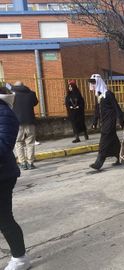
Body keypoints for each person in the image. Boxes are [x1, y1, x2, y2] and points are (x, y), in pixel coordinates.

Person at [0, 87, 31, 270]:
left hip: (2, 175)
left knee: (4, 218)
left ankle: (20, 258)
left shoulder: (4, 113)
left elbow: (3, 145)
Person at [89, 74, 124, 170]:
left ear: (99, 82)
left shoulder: (108, 94)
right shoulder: (99, 95)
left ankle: (99, 162)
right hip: (104, 122)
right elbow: (97, 110)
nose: (92, 84)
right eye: (91, 83)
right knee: (114, 141)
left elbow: (117, 108)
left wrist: (121, 121)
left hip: (110, 121)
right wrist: (94, 122)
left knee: (103, 141)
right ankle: (121, 157)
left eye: (94, 82)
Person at [11, 81, 38, 170]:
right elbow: (35, 102)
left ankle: (22, 163)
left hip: (17, 123)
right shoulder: (31, 94)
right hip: (30, 123)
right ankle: (30, 163)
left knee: (19, 143)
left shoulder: (12, 95)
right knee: (30, 143)